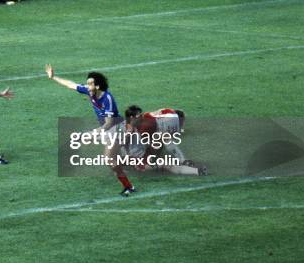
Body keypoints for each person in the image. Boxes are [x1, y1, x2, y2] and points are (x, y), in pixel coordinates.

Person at [46, 64, 135, 196]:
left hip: (115, 128)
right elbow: (71, 85)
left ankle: (129, 186)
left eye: (90, 84)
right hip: (107, 128)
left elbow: (109, 124)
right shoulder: (89, 91)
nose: (87, 86)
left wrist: (91, 134)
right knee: (112, 158)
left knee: (109, 160)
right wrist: (53, 77)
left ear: (98, 86)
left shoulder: (107, 99)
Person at [124, 105, 207, 176]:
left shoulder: (134, 128)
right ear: (132, 118)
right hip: (141, 163)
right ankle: (194, 169)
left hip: (143, 158)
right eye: (139, 116)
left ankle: (196, 170)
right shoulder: (133, 130)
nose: (141, 117)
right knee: (168, 164)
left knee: (162, 144)